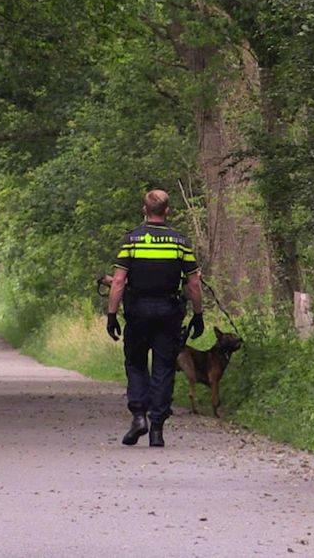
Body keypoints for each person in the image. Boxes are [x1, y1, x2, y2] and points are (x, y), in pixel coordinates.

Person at [106, 189, 204, 447]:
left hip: (138, 311)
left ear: (144, 210)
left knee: (136, 363)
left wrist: (112, 314)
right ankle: (157, 428)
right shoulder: (180, 242)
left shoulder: (132, 240)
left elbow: (118, 281)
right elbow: (194, 284)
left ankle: (139, 416)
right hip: (169, 313)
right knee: (164, 367)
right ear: (167, 211)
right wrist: (198, 314)